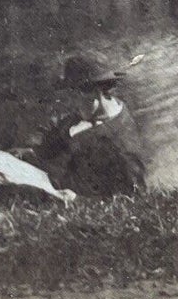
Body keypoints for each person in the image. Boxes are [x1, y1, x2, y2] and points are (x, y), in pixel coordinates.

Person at [31, 52, 146, 197]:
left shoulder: (119, 136)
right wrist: (31, 153)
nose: (71, 102)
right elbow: (50, 147)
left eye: (75, 95)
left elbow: (132, 184)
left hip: (89, 194)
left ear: (96, 93)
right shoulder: (85, 116)